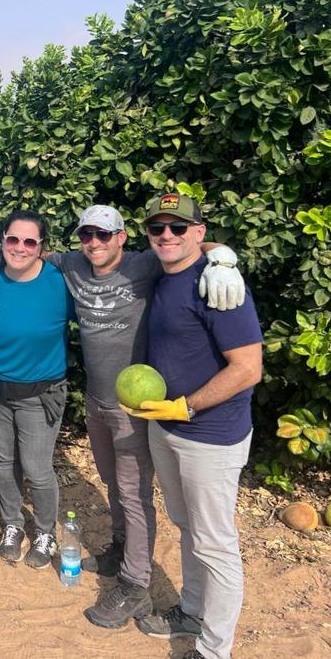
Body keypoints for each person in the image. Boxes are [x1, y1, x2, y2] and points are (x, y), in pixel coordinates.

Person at [44, 203, 246, 630]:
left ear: (121, 238)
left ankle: (136, 585)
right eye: (86, 235)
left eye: (104, 235)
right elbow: (31, 253)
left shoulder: (145, 264)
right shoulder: (74, 265)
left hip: (136, 409)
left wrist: (223, 256)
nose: (94, 243)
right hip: (98, 402)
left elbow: (190, 245)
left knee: (135, 495)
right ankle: (121, 549)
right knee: (113, 483)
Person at [127, 193, 262, 659]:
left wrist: (187, 407)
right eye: (158, 228)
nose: (167, 236)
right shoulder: (168, 272)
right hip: (168, 427)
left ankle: (213, 649)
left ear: (198, 233)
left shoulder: (220, 286)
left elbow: (248, 367)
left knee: (215, 544)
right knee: (187, 527)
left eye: (179, 228)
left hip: (210, 434)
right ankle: (191, 609)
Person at [0, 210, 75, 568]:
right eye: (13, 239)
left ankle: (46, 530)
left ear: (41, 248)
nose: (20, 248)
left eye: (29, 242)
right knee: (4, 463)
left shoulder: (59, 282)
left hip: (40, 393)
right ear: (2, 240)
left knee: (37, 469)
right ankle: (12, 524)